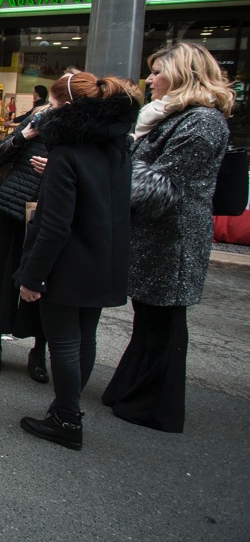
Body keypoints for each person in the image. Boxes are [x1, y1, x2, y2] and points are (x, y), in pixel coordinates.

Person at [102, 42, 235, 433]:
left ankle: (154, 405)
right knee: (149, 318)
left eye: (158, 71)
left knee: (165, 321)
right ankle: (132, 391)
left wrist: (115, 172)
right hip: (156, 234)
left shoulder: (202, 121)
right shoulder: (172, 117)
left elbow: (160, 184)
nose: (150, 79)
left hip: (173, 238)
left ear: (181, 74)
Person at [15, 71, 139, 451]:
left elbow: (53, 226)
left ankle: (67, 417)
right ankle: (67, 408)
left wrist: (31, 277)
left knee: (65, 342)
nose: (47, 112)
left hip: (68, 263)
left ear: (68, 108)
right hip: (104, 259)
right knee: (85, 338)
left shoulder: (67, 152)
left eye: (52, 105)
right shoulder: (116, 146)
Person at [0, 95, 52, 381]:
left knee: (42, 283)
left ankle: (38, 350)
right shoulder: (34, 122)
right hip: (14, 209)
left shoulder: (75, 130)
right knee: (2, 277)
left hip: (49, 214)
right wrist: (25, 134)